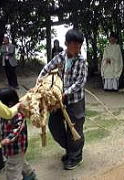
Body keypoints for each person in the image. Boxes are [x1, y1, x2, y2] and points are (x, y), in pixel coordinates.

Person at [38, 29, 88, 170]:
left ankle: (76, 156)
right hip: (57, 99)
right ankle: (71, 150)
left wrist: (65, 93)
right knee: (54, 126)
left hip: (75, 100)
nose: (76, 49)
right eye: (73, 46)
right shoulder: (59, 57)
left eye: (79, 46)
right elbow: (45, 70)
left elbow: (80, 82)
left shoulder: (82, 61)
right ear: (66, 44)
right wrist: (39, 86)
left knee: (75, 127)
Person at [0, 88, 36, 180]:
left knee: (12, 169)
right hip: (9, 149)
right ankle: (30, 175)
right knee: (20, 162)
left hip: (16, 148)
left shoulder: (18, 116)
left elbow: (16, 129)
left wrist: (8, 139)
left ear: (9, 104)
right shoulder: (1, 113)